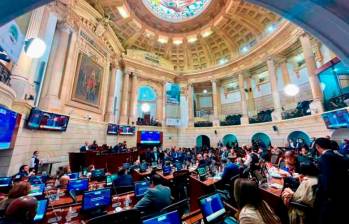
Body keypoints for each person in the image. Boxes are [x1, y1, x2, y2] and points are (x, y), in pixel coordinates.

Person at [314, 137, 349, 224]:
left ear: (317, 146)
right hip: (342, 194)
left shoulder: (324, 157)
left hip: (330, 198)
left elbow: (327, 178)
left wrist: (324, 196)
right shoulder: (338, 155)